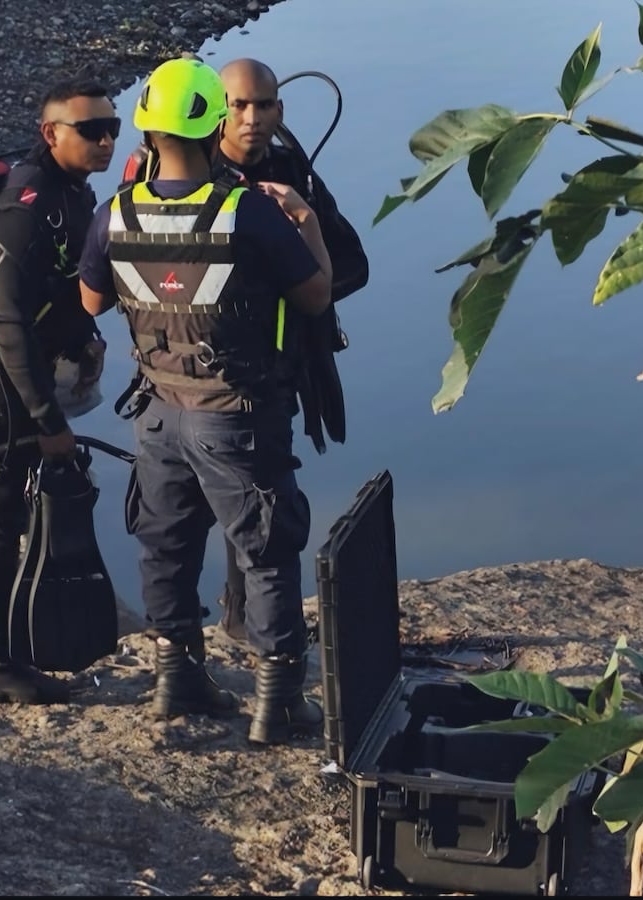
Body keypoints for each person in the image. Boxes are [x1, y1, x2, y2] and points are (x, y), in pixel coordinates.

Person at [78, 58, 332, 741]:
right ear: (214, 122)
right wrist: (305, 222)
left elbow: (93, 299)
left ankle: (178, 679)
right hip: (237, 415)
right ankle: (276, 699)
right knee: (266, 548)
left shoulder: (115, 213)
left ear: (147, 129)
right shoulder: (245, 211)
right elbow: (315, 295)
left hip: (158, 412)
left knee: (165, 544)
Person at [0, 76, 116, 705]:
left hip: (22, 376)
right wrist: (48, 420)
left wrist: (86, 334)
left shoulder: (69, 191)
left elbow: (63, 286)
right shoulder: (26, 204)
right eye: (90, 129)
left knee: (14, 515)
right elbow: (10, 321)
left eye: (112, 128)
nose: (104, 141)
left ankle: (12, 654)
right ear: (50, 133)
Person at [211, 57, 370, 648]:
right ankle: (236, 621)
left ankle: (243, 614)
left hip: (284, 364)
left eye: (265, 105)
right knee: (225, 496)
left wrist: (301, 242)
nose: (253, 118)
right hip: (213, 369)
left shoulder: (290, 169)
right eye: (239, 105)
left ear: (280, 110)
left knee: (262, 497)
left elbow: (352, 264)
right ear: (216, 108)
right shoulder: (190, 173)